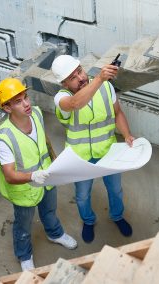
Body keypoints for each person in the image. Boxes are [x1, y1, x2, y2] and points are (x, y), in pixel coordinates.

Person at [0, 78, 77, 271]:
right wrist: (33, 176)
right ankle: (24, 255)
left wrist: (55, 161)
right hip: (24, 190)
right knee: (23, 225)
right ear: (7, 108)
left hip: (47, 177)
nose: (27, 104)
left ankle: (54, 234)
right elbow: (9, 175)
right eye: (18, 101)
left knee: (49, 211)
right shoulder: (4, 138)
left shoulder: (37, 114)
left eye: (26, 97)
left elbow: (44, 140)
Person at [51, 55, 134, 243]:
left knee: (115, 190)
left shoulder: (106, 87)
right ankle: (88, 221)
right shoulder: (62, 98)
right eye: (72, 77)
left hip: (108, 150)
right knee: (81, 197)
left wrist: (127, 135)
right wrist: (99, 78)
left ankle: (117, 216)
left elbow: (117, 112)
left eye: (79, 71)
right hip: (80, 158)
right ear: (64, 84)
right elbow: (75, 104)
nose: (80, 78)